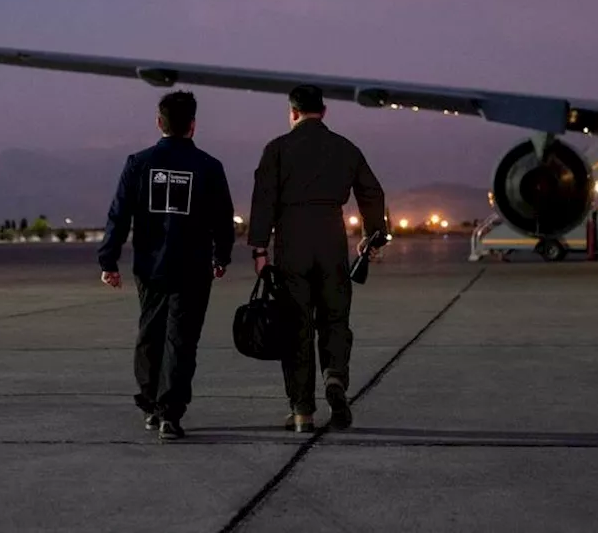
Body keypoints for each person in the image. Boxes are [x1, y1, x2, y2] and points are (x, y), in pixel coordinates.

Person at [248, 84, 387, 433]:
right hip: (331, 237)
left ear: (292, 112)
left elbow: (263, 200)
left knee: (296, 325)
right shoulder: (345, 148)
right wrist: (372, 237)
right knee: (335, 317)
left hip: (292, 241)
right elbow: (372, 191)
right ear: (323, 112)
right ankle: (335, 377)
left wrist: (260, 249)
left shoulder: (277, 149)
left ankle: (302, 412)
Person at [98, 91, 235, 441]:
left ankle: (150, 405)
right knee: (182, 341)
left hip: (150, 266)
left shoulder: (138, 163)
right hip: (192, 268)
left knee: (150, 335)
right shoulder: (209, 166)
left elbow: (119, 214)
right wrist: (222, 256)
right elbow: (223, 219)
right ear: (193, 124)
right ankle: (170, 414)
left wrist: (108, 260)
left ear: (159, 122)